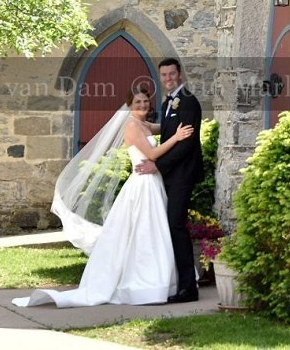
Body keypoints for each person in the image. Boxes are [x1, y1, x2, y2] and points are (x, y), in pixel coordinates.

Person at [12, 89, 194, 307]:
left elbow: (164, 127)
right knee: (143, 231)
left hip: (153, 184)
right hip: (142, 184)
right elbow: (153, 154)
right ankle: (144, 283)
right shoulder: (131, 125)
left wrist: (182, 119)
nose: (143, 105)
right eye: (138, 102)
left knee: (156, 231)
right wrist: (177, 137)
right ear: (129, 104)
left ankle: (166, 282)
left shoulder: (145, 125)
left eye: (146, 101)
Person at [134, 58, 204, 303]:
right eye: (163, 75)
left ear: (180, 74)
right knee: (169, 227)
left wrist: (157, 165)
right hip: (170, 175)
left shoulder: (188, 102)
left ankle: (188, 289)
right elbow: (167, 133)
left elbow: (186, 144)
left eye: (171, 74)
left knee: (176, 226)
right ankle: (175, 281)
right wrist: (137, 125)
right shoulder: (167, 103)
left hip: (182, 174)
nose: (168, 79)